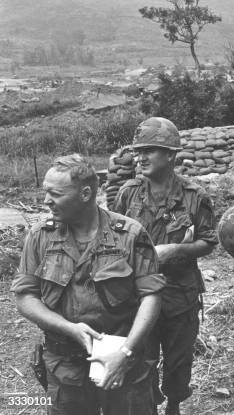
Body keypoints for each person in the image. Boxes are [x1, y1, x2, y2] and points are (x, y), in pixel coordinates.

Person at [11, 154, 165, 415]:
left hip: (124, 362)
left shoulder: (129, 234)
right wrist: (70, 328)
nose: (46, 200)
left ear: (85, 193)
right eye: (45, 192)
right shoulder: (40, 236)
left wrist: (125, 353)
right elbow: (25, 297)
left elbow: (151, 297)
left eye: (55, 194)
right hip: (65, 366)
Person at [112, 117, 218, 415]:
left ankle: (174, 404)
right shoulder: (128, 194)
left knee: (178, 360)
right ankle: (150, 406)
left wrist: (176, 250)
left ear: (171, 155)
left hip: (178, 295)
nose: (141, 157)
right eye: (138, 151)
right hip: (138, 297)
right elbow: (112, 239)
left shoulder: (194, 196)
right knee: (141, 359)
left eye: (150, 150)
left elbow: (210, 241)